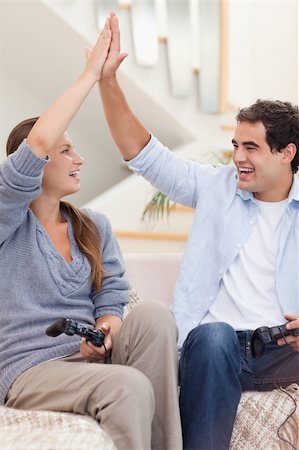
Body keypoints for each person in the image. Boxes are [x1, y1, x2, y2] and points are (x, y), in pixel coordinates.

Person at [98, 13, 299, 450]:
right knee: (213, 335)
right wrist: (108, 83)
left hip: (284, 349)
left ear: (287, 153)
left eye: (251, 148)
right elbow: (143, 154)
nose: (238, 158)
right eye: (235, 146)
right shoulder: (215, 187)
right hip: (216, 347)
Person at [0, 18, 183, 450]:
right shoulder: (7, 218)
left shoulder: (93, 225)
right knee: (129, 387)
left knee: (155, 316)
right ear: (37, 163)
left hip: (88, 358)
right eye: (66, 150)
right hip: (30, 370)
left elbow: (112, 293)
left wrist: (106, 329)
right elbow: (40, 138)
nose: (79, 159)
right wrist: (90, 76)